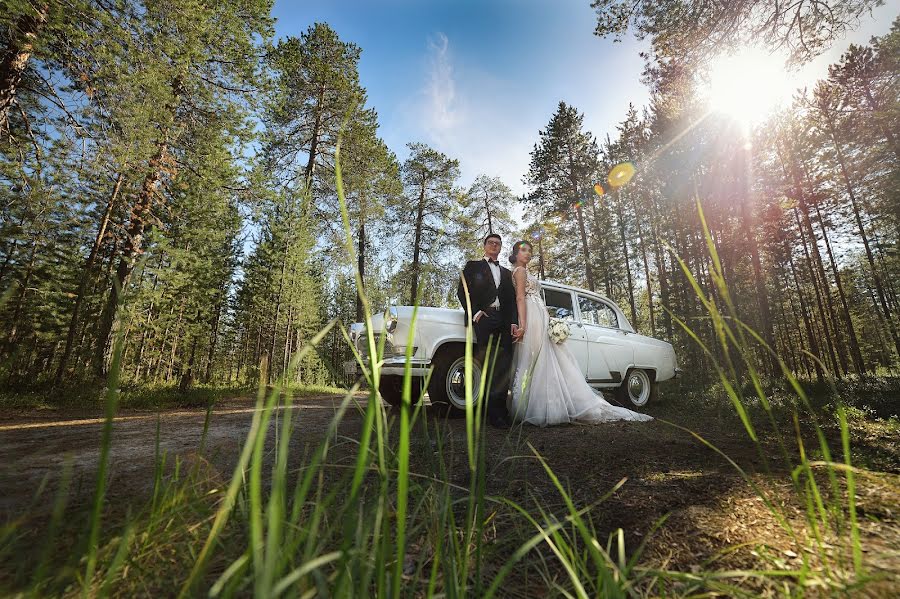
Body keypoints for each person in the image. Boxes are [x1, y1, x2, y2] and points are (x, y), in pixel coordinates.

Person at [508, 240, 652, 426]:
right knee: (536, 359)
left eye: (530, 251)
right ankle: (539, 406)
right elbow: (520, 297)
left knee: (546, 360)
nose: (527, 253)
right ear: (515, 253)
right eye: (523, 250)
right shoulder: (519, 271)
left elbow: (533, 297)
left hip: (539, 316)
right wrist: (523, 324)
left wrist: (549, 319)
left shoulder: (526, 272)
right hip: (530, 317)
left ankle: (546, 404)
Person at [456, 233, 522, 428]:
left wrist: (513, 322)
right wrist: (475, 313)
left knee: (504, 367)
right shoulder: (472, 266)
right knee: (488, 365)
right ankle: (491, 414)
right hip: (485, 319)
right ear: (485, 246)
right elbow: (462, 291)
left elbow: (511, 301)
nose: (494, 245)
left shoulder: (506, 272)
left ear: (501, 248)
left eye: (498, 244)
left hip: (503, 320)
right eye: (491, 243)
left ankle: (501, 412)